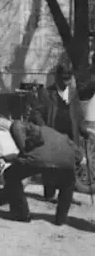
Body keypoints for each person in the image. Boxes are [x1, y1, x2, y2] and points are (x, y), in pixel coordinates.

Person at [0, 121, 80, 225]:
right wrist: (79, 158)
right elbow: (76, 152)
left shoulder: (22, 132)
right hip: (67, 160)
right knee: (68, 183)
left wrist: (5, 158)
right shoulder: (47, 130)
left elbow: (26, 154)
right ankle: (61, 219)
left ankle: (21, 214)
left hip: (41, 160)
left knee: (10, 174)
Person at [28, 62, 87, 199]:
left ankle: (65, 196)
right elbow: (37, 113)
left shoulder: (73, 93)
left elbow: (78, 114)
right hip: (53, 134)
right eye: (63, 79)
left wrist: (83, 130)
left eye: (68, 79)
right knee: (50, 165)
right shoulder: (46, 93)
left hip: (70, 136)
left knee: (69, 167)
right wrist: (44, 129)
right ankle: (49, 193)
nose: (66, 83)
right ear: (57, 77)